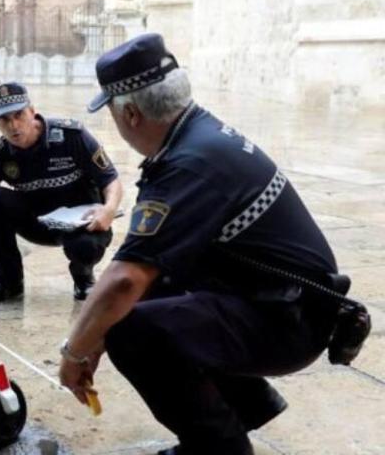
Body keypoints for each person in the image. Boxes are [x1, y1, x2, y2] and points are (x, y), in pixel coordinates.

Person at [58, 34, 342, 455]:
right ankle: (244, 408)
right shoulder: (200, 135)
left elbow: (122, 281)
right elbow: (138, 268)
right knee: (148, 288)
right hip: (286, 301)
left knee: (129, 330)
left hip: (290, 320)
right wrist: (95, 324)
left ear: (131, 114)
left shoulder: (190, 164)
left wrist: (75, 352)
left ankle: (218, 447)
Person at [0, 82, 124, 304]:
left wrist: (108, 210)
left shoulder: (71, 135)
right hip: (36, 222)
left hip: (80, 223)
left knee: (85, 246)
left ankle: (84, 279)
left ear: (32, 110)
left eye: (19, 115)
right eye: (4, 120)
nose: (13, 125)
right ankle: (9, 283)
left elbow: (111, 181)